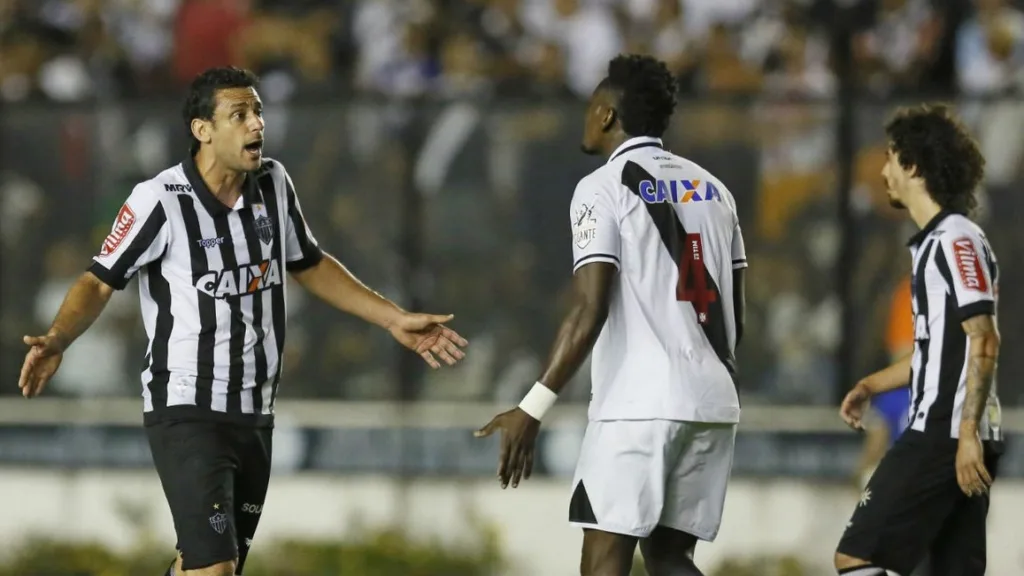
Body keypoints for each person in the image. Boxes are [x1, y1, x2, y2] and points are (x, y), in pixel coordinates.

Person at [17, 67, 469, 576]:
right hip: (187, 404)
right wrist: (59, 337)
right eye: (240, 114)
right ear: (202, 129)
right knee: (217, 568)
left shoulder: (273, 183)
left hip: (254, 409)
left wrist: (393, 319)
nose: (256, 124)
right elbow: (99, 280)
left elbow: (309, 263)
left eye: (258, 112)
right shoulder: (160, 200)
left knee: (202, 566)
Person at [475, 54, 746, 576]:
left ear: (605, 115)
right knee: (670, 559)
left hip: (637, 408)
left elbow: (589, 307)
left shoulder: (602, 187)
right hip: (713, 401)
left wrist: (532, 407)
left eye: (589, 109)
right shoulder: (716, 192)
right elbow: (735, 312)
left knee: (604, 561)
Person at [835, 103, 1003, 576]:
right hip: (956, 435)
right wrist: (871, 384)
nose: (884, 170)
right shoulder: (938, 242)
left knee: (857, 555)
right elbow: (936, 351)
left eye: (891, 158)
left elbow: (984, 339)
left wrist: (965, 435)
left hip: (943, 435)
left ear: (913, 165)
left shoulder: (955, 240)